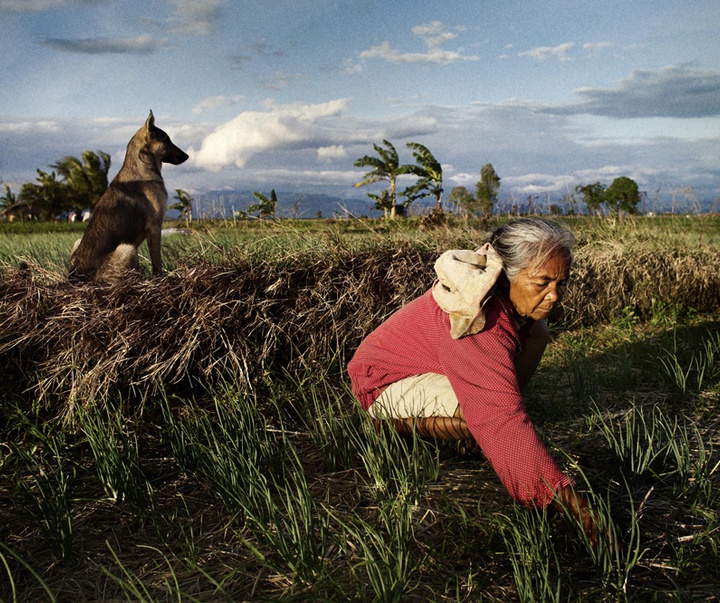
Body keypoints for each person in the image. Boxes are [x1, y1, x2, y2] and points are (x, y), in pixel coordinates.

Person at [347, 217, 596, 543]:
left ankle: (479, 412)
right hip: (383, 383)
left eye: (561, 283)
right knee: (479, 416)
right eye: (542, 283)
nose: (554, 296)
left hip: (429, 369)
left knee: (538, 333)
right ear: (507, 278)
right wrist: (568, 502)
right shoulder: (480, 320)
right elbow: (499, 419)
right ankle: (387, 425)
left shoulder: (511, 305)